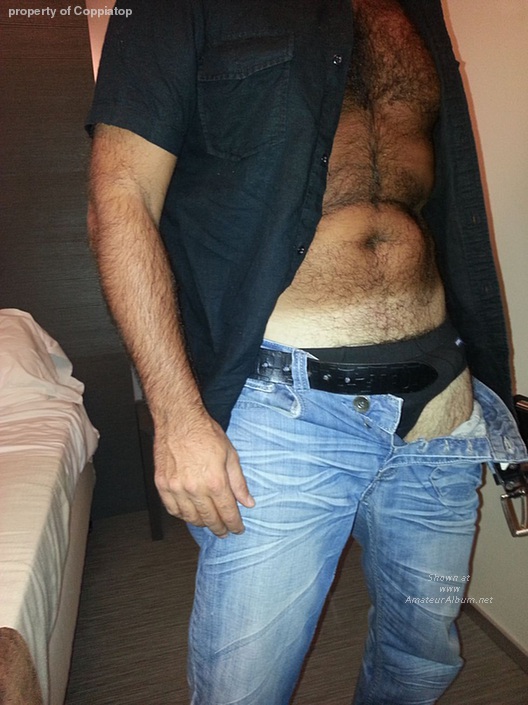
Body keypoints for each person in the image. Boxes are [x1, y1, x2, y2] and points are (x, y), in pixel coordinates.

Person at [86, 1, 527, 703]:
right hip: (284, 409)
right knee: (245, 691)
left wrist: (493, 383)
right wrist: (177, 415)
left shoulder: (415, 11)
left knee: (420, 661)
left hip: (441, 407)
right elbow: (122, 193)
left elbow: (442, 204)